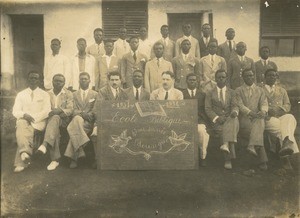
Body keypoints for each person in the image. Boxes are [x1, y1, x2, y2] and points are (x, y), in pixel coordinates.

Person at [12, 71, 51, 173]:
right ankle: (24, 153)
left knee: (24, 131)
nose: (33, 80)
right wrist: (24, 115)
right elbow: (15, 111)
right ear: (27, 79)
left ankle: (22, 159)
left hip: (39, 122)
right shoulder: (21, 94)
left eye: (35, 78)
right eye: (31, 78)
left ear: (39, 80)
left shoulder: (44, 94)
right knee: (21, 123)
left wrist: (32, 118)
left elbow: (47, 111)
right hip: (24, 121)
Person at [36, 74, 73, 171]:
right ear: (52, 82)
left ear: (64, 83)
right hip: (48, 119)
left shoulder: (68, 94)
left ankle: (45, 144)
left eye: (60, 81)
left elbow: (70, 109)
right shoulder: (46, 94)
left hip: (63, 120)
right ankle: (55, 160)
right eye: (56, 81)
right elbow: (42, 108)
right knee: (54, 129)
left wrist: (59, 111)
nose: (58, 83)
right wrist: (51, 112)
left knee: (55, 118)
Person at [263, 69, 299, 170]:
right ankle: (285, 157)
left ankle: (286, 145)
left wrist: (280, 110)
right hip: (267, 118)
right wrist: (267, 110)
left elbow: (287, 104)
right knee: (284, 130)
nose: (272, 77)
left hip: (280, 116)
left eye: (274, 76)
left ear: (276, 77)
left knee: (290, 117)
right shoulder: (259, 90)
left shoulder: (282, 90)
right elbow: (257, 104)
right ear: (265, 77)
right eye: (269, 75)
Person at [205, 70, 239, 170]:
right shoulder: (210, 93)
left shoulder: (232, 92)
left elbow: (235, 106)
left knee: (233, 121)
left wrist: (234, 112)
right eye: (219, 77)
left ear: (226, 79)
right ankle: (230, 159)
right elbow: (208, 108)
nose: (221, 79)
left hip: (230, 119)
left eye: (223, 77)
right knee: (224, 130)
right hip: (217, 121)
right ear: (215, 79)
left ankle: (226, 149)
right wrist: (217, 118)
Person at [235, 69, 268, 170]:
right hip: (245, 118)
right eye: (247, 76)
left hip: (257, 118)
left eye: (251, 75)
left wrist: (263, 111)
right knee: (258, 126)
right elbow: (239, 105)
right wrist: (250, 112)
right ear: (243, 77)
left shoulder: (260, 90)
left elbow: (264, 103)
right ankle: (262, 161)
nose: (250, 77)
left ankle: (251, 146)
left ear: (254, 76)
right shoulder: (238, 90)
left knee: (260, 120)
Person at [64, 72, 98, 169]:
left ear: (89, 81)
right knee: (77, 119)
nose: (83, 80)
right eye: (81, 79)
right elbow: (72, 109)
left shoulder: (95, 94)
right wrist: (81, 113)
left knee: (74, 128)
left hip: (89, 122)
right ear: (78, 81)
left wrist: (88, 115)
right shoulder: (73, 94)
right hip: (77, 118)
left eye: (85, 79)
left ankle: (74, 158)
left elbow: (95, 109)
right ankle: (81, 147)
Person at [182, 73, 210, 167]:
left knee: (201, 132)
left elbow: (205, 110)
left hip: (199, 121)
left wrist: (200, 119)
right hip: (184, 121)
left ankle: (203, 156)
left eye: (194, 80)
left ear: (197, 82)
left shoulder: (202, 94)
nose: (192, 81)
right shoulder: (182, 94)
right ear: (186, 81)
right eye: (190, 80)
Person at [91, 71, 128, 137]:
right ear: (108, 81)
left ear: (120, 80)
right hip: (105, 119)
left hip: (120, 120)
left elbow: (126, 109)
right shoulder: (103, 92)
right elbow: (97, 109)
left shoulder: (124, 93)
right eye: (112, 80)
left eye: (116, 80)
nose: (114, 82)